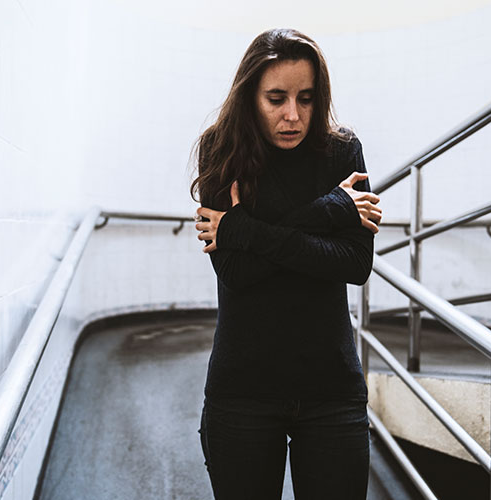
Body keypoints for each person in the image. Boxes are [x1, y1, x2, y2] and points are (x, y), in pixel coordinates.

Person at [190, 28, 382, 500]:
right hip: (243, 392)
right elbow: (238, 273)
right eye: (276, 98)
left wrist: (242, 230)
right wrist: (330, 209)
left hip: (331, 389)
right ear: (250, 96)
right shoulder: (223, 151)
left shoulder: (341, 152)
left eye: (306, 98)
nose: (292, 115)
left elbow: (355, 262)